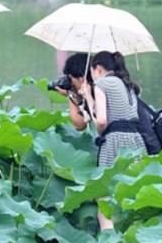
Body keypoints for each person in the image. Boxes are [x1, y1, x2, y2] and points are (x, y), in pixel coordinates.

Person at [57, 52, 147, 231]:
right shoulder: (127, 84)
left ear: (97, 69)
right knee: (132, 191)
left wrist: (100, 132)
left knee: (103, 199)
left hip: (114, 142)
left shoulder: (101, 84)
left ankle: (108, 240)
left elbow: (97, 121)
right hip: (137, 142)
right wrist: (81, 96)